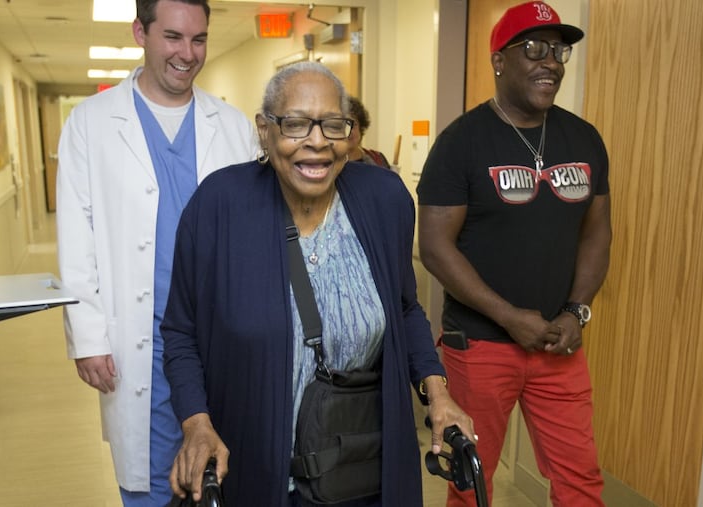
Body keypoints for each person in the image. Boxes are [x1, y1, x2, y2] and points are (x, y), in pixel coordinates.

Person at [160, 61, 475, 506]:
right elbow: (180, 332)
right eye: (295, 124)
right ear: (264, 131)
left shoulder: (384, 200)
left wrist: (437, 394)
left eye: (333, 124)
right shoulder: (219, 205)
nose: (317, 141)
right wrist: (197, 424)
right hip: (258, 471)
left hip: (362, 470)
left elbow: (404, 309)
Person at [55, 0, 258, 505]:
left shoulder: (232, 126)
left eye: (199, 39)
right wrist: (87, 334)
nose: (186, 54)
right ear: (139, 33)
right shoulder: (92, 123)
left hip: (221, 336)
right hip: (139, 337)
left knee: (226, 473)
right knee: (149, 480)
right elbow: (77, 235)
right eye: (172, 37)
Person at [416, 2, 611, 506]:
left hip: (557, 344)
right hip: (480, 345)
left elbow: (597, 234)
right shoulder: (461, 143)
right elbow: (434, 248)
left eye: (558, 50)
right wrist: (509, 317)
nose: (551, 61)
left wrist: (576, 310)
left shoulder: (584, 139)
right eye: (534, 48)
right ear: (499, 60)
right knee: (471, 483)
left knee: (581, 481)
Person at [346, 95, 391, 168]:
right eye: (342, 125)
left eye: (353, 124)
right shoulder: (327, 164)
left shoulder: (377, 159)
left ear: (361, 128)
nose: (348, 131)